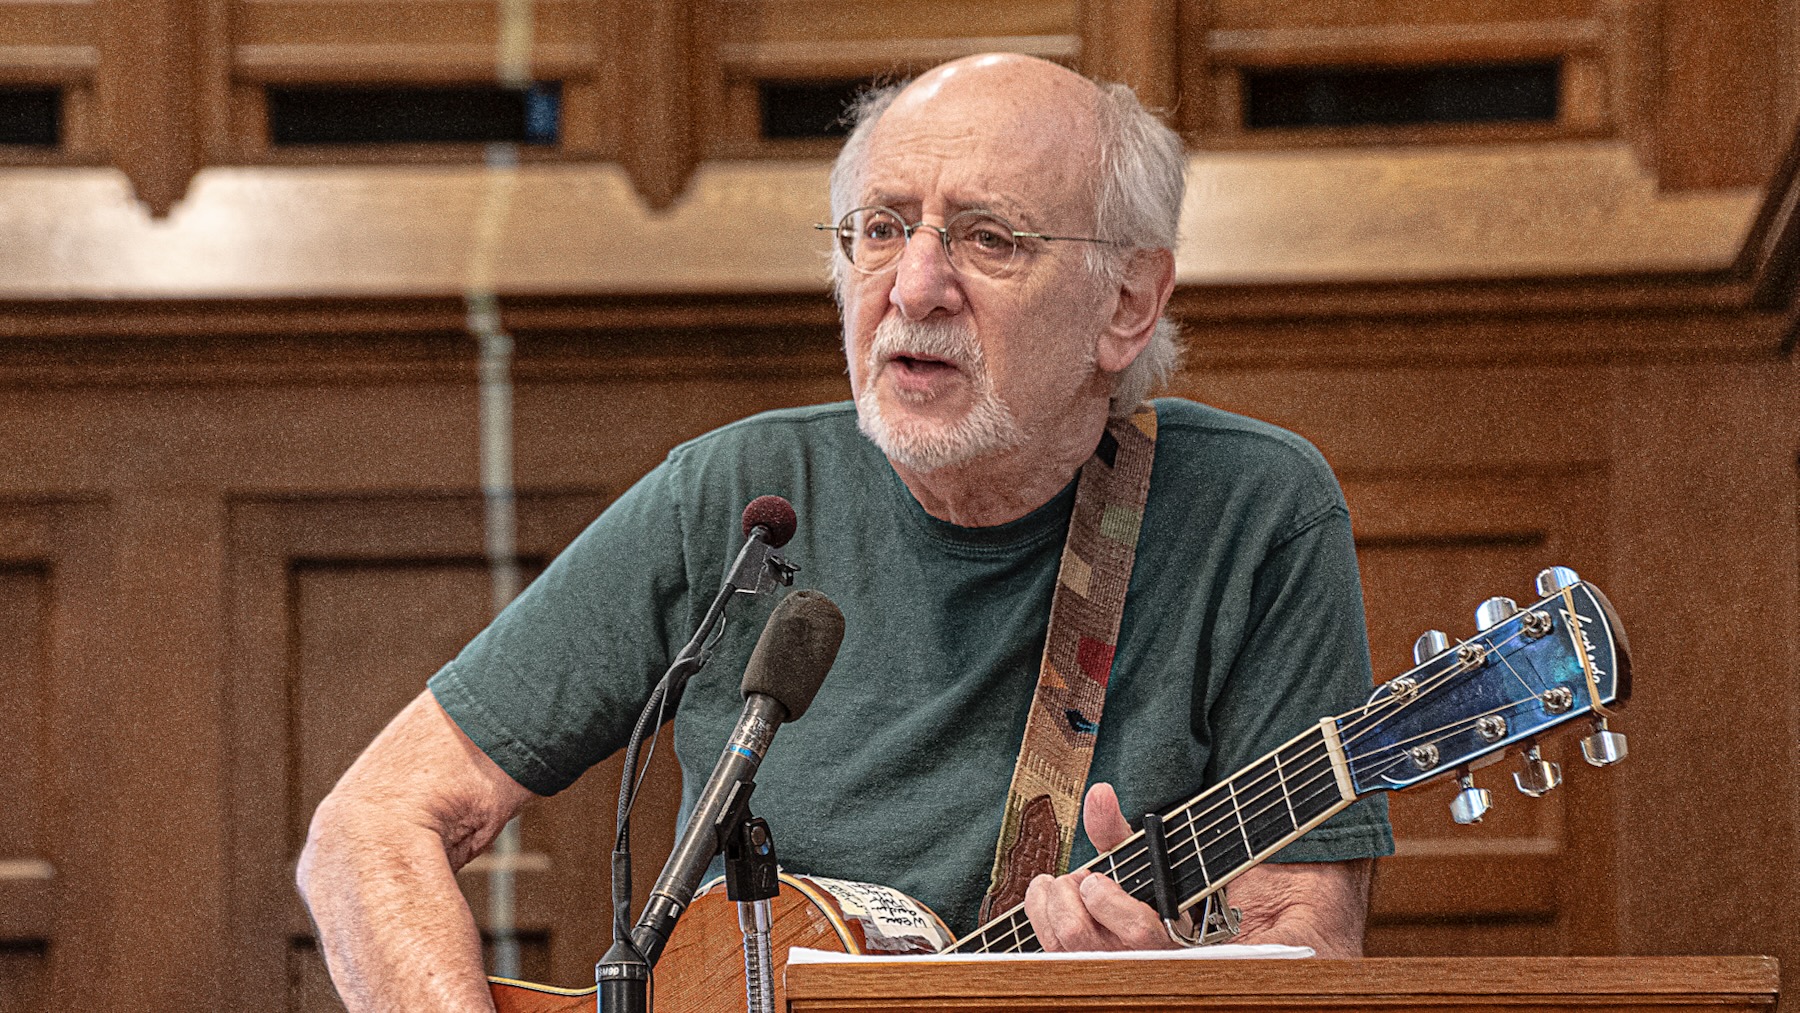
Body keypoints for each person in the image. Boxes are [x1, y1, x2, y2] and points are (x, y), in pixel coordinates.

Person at [297, 53, 1392, 1011]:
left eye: (990, 239)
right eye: (881, 229)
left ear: (1127, 303)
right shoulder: (739, 495)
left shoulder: (1257, 511)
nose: (915, 285)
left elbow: (1302, 943)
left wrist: (1177, 985)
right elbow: (369, 827)